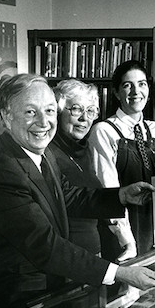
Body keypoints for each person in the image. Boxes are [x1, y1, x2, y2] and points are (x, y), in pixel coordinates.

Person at [0, 74, 155, 308]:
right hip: (16, 306)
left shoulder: (39, 151)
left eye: (49, 111)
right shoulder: (1, 171)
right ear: (6, 116)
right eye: (30, 112)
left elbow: (69, 196)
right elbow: (45, 246)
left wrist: (121, 196)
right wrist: (119, 273)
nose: (44, 122)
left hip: (44, 293)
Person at [88, 60, 155, 260]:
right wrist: (128, 241)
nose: (136, 91)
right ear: (117, 93)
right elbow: (108, 190)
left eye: (142, 84)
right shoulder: (104, 131)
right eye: (128, 85)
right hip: (120, 232)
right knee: (123, 290)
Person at [48, 79, 103, 255]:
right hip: (67, 259)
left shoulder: (84, 149)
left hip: (93, 255)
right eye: (77, 109)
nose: (84, 118)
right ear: (58, 111)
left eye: (90, 111)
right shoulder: (48, 153)